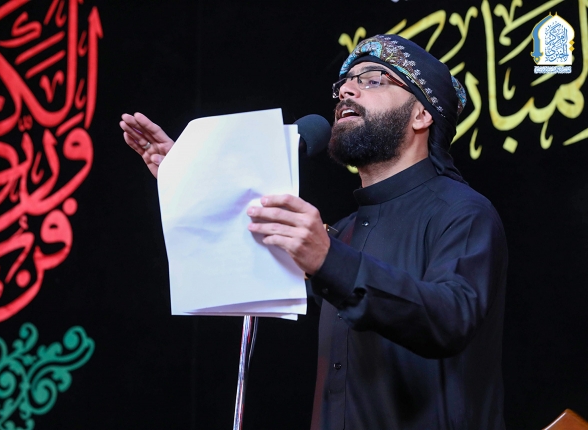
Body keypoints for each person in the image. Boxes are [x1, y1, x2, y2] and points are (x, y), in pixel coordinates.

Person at [120, 34, 508, 430]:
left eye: (373, 79)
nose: (347, 91)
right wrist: (193, 185)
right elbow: (245, 268)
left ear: (421, 115)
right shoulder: (347, 231)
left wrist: (328, 258)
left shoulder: (463, 213)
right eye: (344, 84)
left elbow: (449, 317)